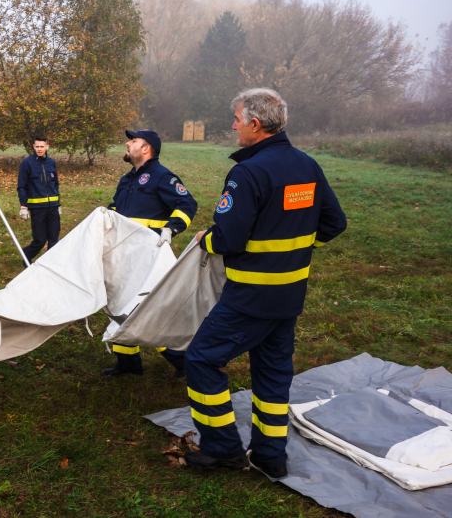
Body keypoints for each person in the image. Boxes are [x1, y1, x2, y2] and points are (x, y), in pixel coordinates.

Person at [183, 88, 347, 478]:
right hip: (289, 298)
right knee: (273, 376)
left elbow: (227, 240)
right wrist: (293, 252)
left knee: (201, 359)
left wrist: (204, 238)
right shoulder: (307, 166)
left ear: (255, 125)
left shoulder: (248, 172)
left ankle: (222, 447)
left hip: (249, 299)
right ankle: (270, 455)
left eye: (237, 120)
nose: (234, 127)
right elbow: (333, 224)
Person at [102, 129, 198, 379]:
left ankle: (184, 362)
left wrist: (171, 228)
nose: (127, 143)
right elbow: (118, 209)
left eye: (133, 141)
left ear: (146, 149)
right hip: (124, 255)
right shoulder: (127, 179)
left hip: (148, 258)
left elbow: (187, 204)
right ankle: (128, 363)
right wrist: (106, 215)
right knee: (121, 305)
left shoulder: (162, 176)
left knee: (150, 311)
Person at [17, 136, 61, 264]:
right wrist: (23, 206)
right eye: (37, 146)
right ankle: (26, 257)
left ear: (47, 147)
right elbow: (22, 186)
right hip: (37, 209)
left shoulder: (51, 162)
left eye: (42, 146)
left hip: (52, 208)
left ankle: (50, 265)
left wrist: (58, 204)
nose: (39, 149)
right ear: (33, 147)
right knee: (40, 240)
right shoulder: (27, 163)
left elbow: (55, 184)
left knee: (54, 240)